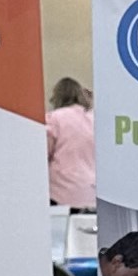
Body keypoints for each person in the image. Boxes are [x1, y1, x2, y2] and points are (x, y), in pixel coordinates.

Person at [45, 75, 95, 211]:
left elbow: (43, 155)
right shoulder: (95, 119)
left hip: (61, 194)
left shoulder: (54, 118)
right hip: (92, 191)